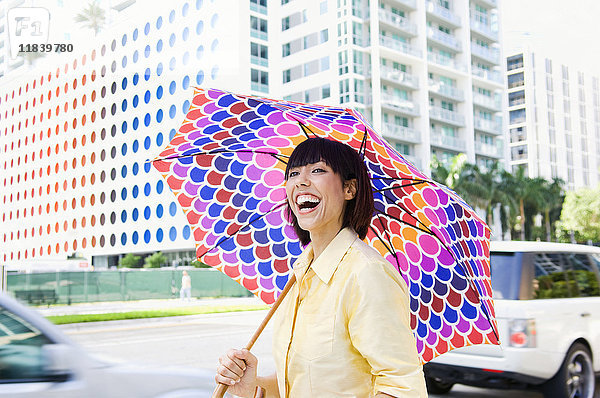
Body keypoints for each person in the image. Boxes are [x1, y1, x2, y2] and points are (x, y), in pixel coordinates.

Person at [216, 138, 427, 397]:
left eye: (317, 170)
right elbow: (297, 383)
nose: (301, 181)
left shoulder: (366, 273)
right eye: (293, 173)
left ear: (349, 189)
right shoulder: (300, 273)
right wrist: (252, 387)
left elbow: (402, 388)